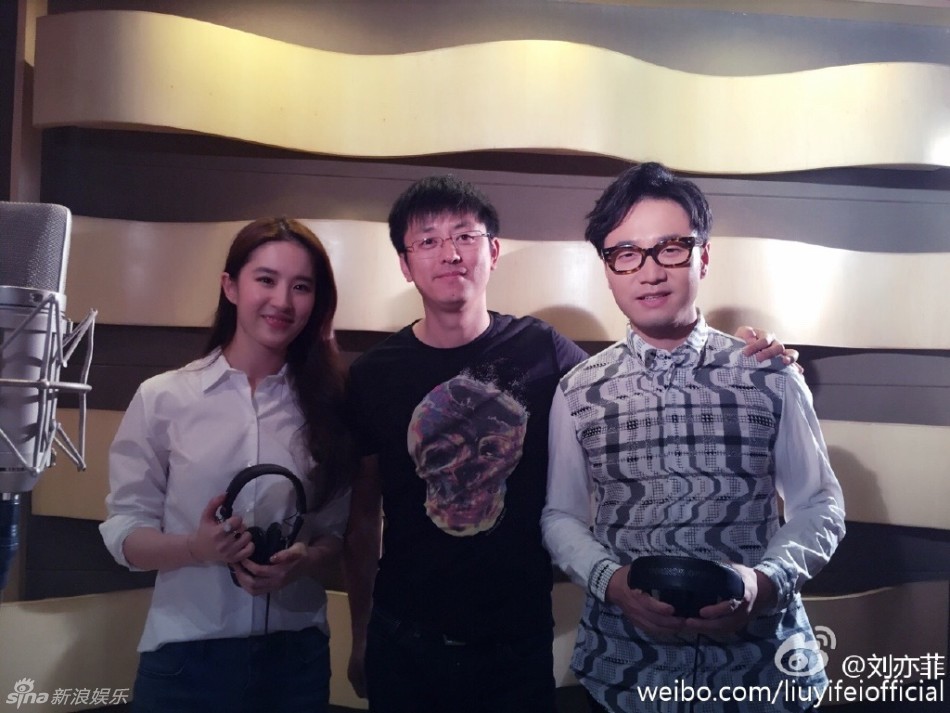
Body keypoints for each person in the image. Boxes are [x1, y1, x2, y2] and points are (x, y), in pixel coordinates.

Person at [343, 175, 794, 713]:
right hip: (404, 640)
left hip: (517, 643)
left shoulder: (543, 351)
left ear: (493, 251)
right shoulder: (373, 374)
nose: (450, 253)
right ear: (404, 262)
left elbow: (634, 390)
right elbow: (362, 517)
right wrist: (360, 630)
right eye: (428, 240)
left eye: (465, 236)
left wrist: (748, 363)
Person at [542, 162, 846, 713]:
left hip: (760, 670)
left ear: (703, 256)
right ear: (607, 268)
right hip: (624, 668)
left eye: (671, 248)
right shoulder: (578, 390)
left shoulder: (769, 374)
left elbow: (819, 504)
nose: (650, 272)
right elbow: (561, 514)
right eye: (626, 254)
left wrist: (765, 583)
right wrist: (610, 582)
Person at [100, 218, 351, 713]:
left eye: (301, 286)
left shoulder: (330, 405)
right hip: (186, 660)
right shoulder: (163, 398)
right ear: (231, 287)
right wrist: (194, 548)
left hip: (295, 661)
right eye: (266, 279)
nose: (282, 300)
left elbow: (335, 533)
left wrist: (305, 561)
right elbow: (125, 532)